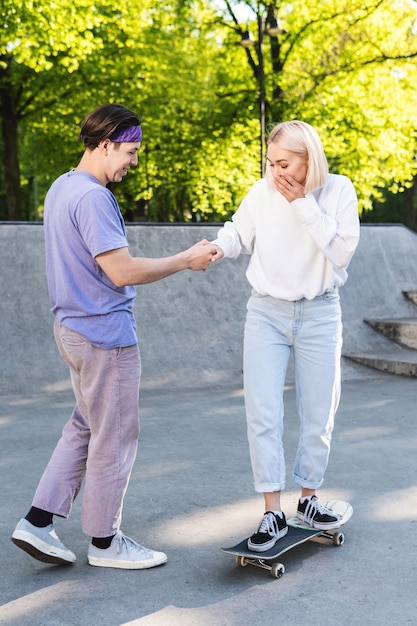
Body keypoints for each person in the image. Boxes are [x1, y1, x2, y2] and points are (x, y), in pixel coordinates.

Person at [11, 103, 215, 570]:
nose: (133, 162)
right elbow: (120, 271)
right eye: (129, 151)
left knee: (85, 426)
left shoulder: (62, 187)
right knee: (115, 436)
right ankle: (105, 542)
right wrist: (185, 259)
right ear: (103, 144)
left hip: (72, 329)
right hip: (105, 336)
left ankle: (38, 521)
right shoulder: (93, 198)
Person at [210, 120, 360, 552]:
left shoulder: (339, 191)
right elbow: (239, 231)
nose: (276, 172)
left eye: (284, 163)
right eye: (271, 163)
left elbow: (342, 250)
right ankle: (272, 510)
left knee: (318, 415)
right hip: (266, 314)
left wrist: (302, 203)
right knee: (263, 414)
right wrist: (219, 246)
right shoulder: (263, 192)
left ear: (308, 159)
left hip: (320, 313)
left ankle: (309, 501)